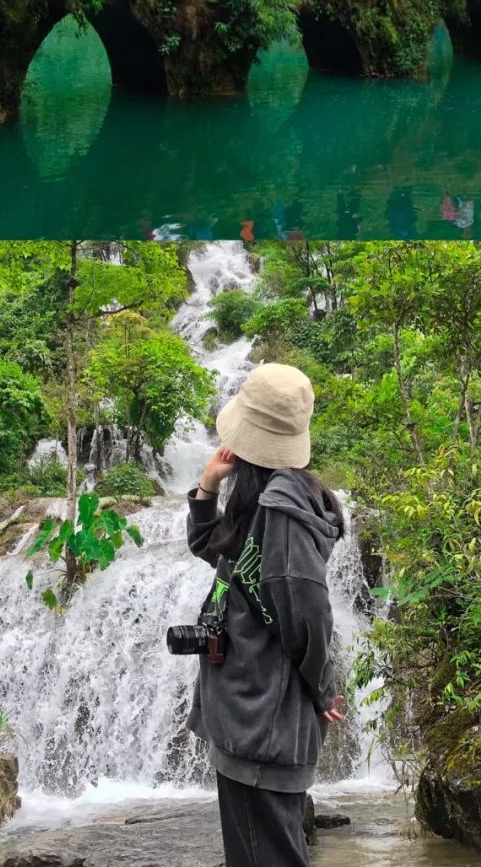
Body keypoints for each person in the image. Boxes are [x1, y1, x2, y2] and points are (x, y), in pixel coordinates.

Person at [185, 364, 346, 867]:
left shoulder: (283, 514)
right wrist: (209, 486)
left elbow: (307, 614)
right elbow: (214, 549)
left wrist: (323, 689)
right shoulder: (260, 500)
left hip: (263, 721)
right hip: (246, 714)